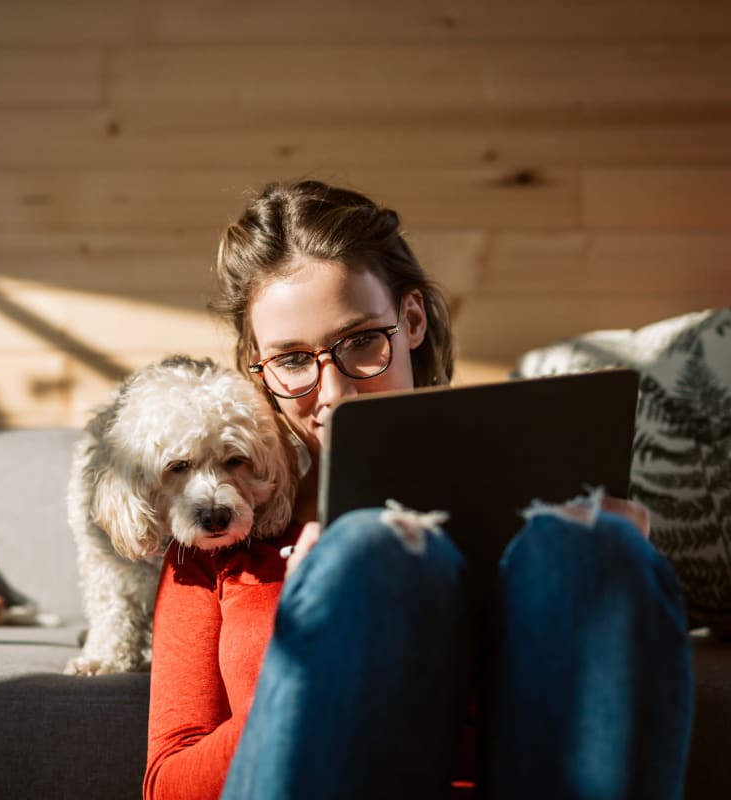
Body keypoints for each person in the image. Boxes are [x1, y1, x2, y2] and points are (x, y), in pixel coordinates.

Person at [143, 179, 694, 800]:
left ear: (410, 319)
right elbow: (167, 784)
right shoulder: (216, 539)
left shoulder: (540, 525)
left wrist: (618, 578)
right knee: (372, 555)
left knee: (597, 551)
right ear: (258, 368)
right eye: (292, 360)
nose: (334, 394)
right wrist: (312, 650)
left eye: (359, 342)